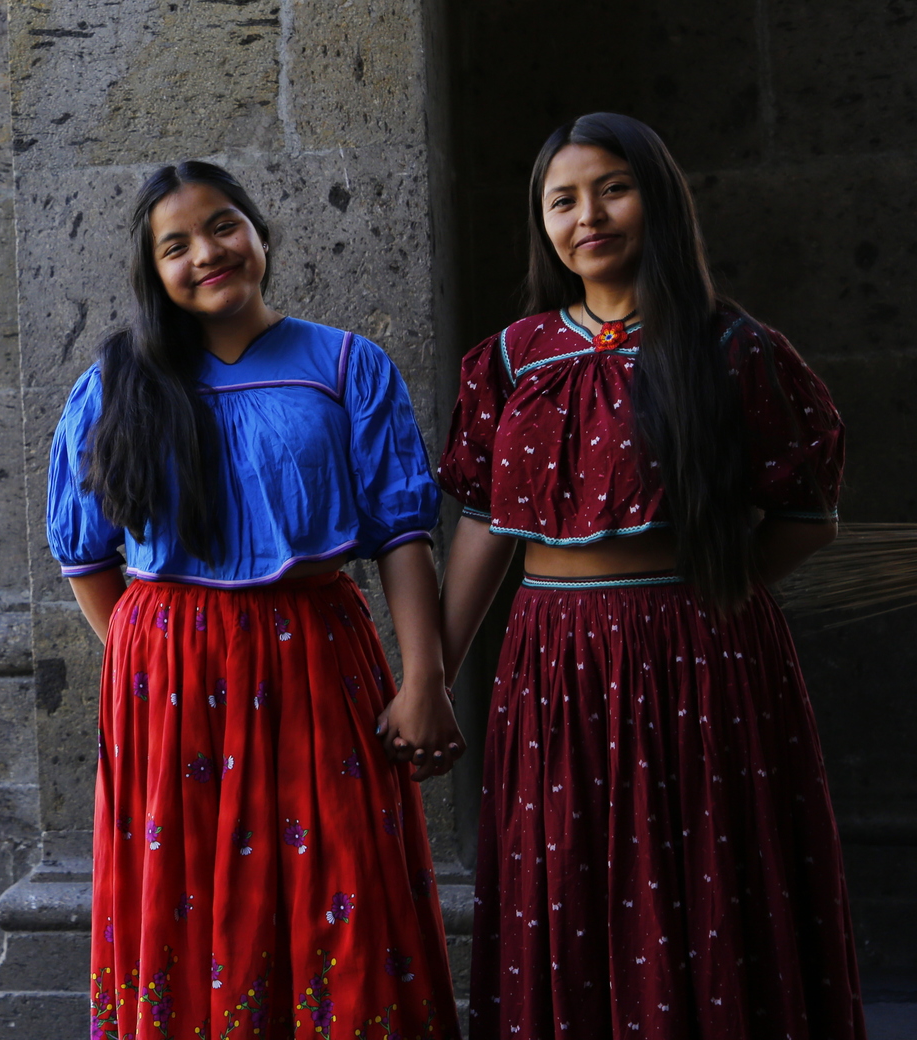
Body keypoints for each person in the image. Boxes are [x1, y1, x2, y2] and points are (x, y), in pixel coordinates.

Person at [437, 113, 865, 1039]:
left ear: (659, 200)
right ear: (544, 223)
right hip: (550, 659)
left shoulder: (730, 347)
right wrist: (430, 675)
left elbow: (806, 512)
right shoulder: (512, 359)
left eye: (612, 188)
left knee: (699, 877)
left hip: (698, 654)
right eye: (563, 199)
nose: (587, 214)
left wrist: (716, 589)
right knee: (571, 877)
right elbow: (481, 518)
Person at [50, 160, 464, 1040]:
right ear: (151, 271)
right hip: (170, 687)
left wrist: (424, 678)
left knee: (343, 892)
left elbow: (401, 535)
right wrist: (148, 658)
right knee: (190, 901)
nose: (208, 252)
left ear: (260, 234)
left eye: (224, 225)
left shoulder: (348, 366)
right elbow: (83, 553)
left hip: (317, 660)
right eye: (177, 245)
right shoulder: (115, 387)